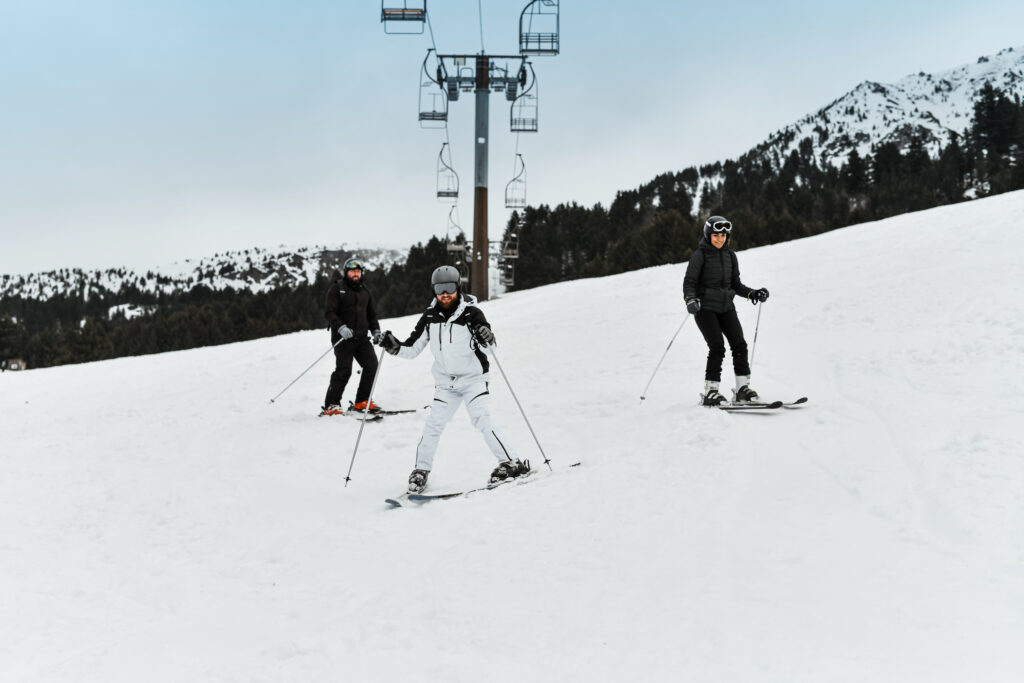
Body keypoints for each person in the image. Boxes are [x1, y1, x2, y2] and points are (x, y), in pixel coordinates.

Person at [379, 265, 529, 493]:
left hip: (473, 379)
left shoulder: (471, 314)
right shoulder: (430, 316)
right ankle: (421, 470)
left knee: (481, 418)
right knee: (433, 424)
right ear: (434, 290)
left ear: (458, 287)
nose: (445, 294)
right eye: (440, 289)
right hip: (446, 383)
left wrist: (487, 337)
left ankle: (511, 463)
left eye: (449, 288)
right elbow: (412, 348)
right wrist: (395, 347)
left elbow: (489, 349)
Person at [682, 215, 770, 406]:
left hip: (726, 307)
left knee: (739, 345)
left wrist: (753, 293)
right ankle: (711, 392)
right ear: (708, 236)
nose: (720, 239)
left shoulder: (730, 256)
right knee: (717, 347)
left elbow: (736, 285)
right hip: (705, 308)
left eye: (723, 236)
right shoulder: (700, 255)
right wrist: (690, 299)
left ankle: (742, 389)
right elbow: (689, 282)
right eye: (716, 235)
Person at [321, 257, 384, 416]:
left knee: (372, 365)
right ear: (346, 273)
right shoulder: (337, 289)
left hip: (362, 338)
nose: (355, 274)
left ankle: (362, 401)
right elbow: (329, 312)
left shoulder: (365, 291)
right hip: (343, 338)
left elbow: (371, 315)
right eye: (352, 271)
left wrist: (376, 331)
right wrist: (340, 327)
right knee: (344, 370)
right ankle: (331, 405)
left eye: (358, 271)